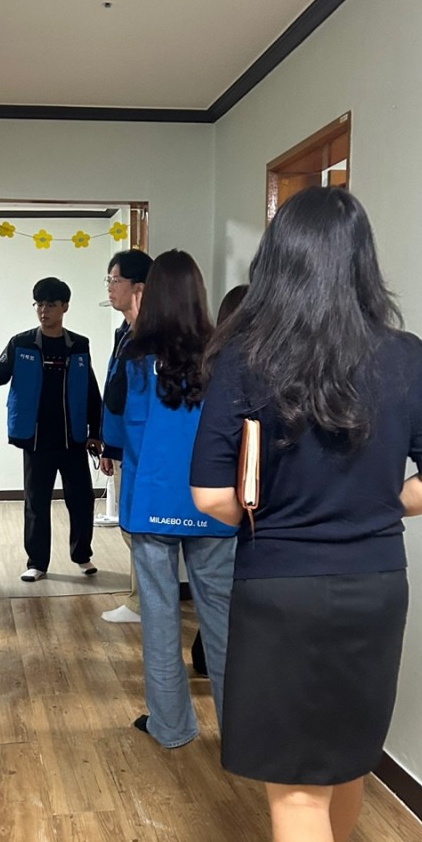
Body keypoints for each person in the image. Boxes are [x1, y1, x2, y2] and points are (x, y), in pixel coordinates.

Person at [190, 187, 422, 842]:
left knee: (296, 795)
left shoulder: (246, 359)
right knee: (347, 761)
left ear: (278, 263)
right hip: (377, 586)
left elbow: (210, 497)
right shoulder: (407, 357)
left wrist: (274, 512)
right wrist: (372, 504)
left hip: (282, 590)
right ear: (361, 262)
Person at [104, 250, 236, 747]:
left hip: (152, 505)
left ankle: (172, 726)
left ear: (151, 293)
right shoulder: (222, 357)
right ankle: (239, 731)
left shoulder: (135, 356)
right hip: (214, 504)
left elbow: (115, 422)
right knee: (221, 620)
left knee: (159, 618)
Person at [0, 277, 103, 582]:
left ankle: (82, 555)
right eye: (39, 304)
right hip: (36, 439)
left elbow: (91, 390)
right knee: (36, 503)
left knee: (82, 500)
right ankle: (37, 562)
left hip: (73, 439)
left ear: (65, 307)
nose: (43, 310)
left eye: (50, 304)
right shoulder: (21, 343)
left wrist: (95, 431)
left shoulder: (79, 345)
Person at [190, 283, 248, 677]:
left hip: (221, 502)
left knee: (219, 592)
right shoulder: (249, 371)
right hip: (243, 505)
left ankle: (207, 654)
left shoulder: (212, 366)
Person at [98, 248, 152, 623]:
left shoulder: (151, 338)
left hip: (142, 451)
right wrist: (108, 445)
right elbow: (115, 394)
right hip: (122, 446)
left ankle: (142, 604)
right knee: (129, 526)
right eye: (109, 279)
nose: (110, 286)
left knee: (140, 529)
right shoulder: (124, 332)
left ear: (139, 288)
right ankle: (140, 600)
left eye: (115, 279)